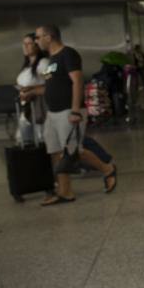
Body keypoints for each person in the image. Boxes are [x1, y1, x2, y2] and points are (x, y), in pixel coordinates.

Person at [33, 25, 117, 205]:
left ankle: (107, 169)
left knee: (75, 151)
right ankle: (65, 192)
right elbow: (51, 86)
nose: (36, 41)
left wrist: (75, 110)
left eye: (38, 37)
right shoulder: (51, 59)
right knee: (56, 152)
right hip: (53, 113)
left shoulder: (67, 54)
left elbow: (77, 80)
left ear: (49, 37)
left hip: (68, 111)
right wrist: (30, 91)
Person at [16, 32, 50, 144]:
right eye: (24, 43)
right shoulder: (27, 65)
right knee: (25, 140)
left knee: (41, 139)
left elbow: (51, 82)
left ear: (37, 46)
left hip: (40, 108)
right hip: (27, 108)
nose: (25, 46)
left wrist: (31, 89)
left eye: (29, 43)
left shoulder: (44, 63)